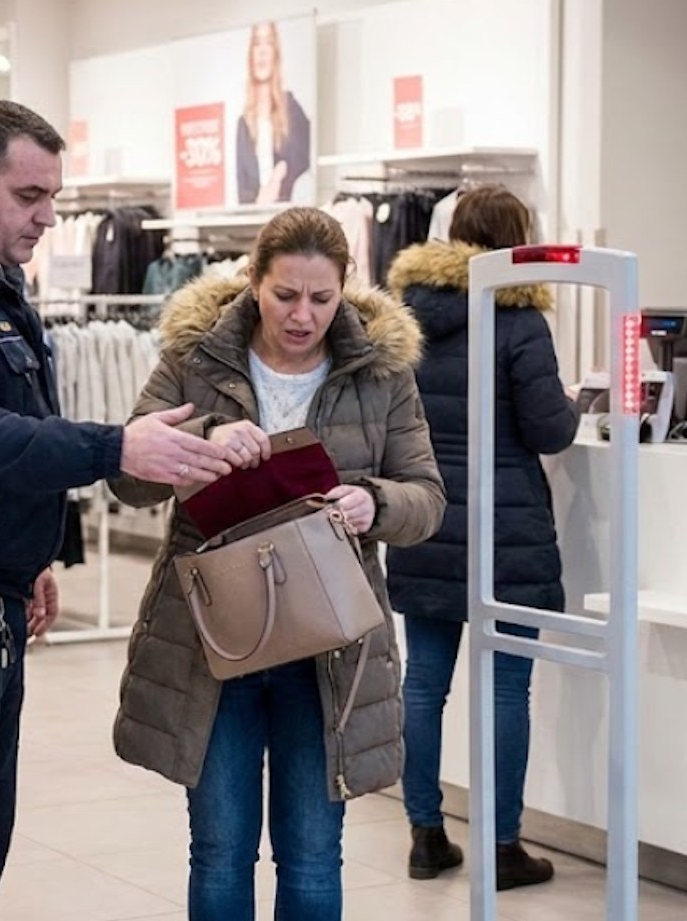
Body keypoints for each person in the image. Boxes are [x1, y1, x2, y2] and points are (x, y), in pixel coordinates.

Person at [0, 99, 231, 921]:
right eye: (29, 196)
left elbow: (21, 418)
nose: (49, 218)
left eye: (53, 197)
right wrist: (114, 449)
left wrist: (37, 553)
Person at [109, 207, 447, 920]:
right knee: (221, 850)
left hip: (327, 649)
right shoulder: (194, 357)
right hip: (213, 642)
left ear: (345, 290)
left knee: (313, 854)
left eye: (321, 299)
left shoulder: (380, 373)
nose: (302, 315)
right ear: (252, 283)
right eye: (284, 295)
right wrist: (200, 442)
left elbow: (428, 499)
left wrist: (373, 502)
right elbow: (128, 480)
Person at [384, 186, 579, 890]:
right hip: (505, 528)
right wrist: (576, 407)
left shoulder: (407, 317)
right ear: (517, 242)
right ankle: (502, 844)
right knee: (505, 692)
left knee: (425, 681)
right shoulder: (518, 320)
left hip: (425, 519)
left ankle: (425, 833)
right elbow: (550, 428)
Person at [235, 20, 311, 206]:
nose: (262, 51)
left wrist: (279, 174)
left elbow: (302, 162)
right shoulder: (244, 124)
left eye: (268, 43)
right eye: (256, 44)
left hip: (289, 218)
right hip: (254, 221)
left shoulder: (292, 110)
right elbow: (242, 189)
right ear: (250, 54)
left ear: (276, 53)